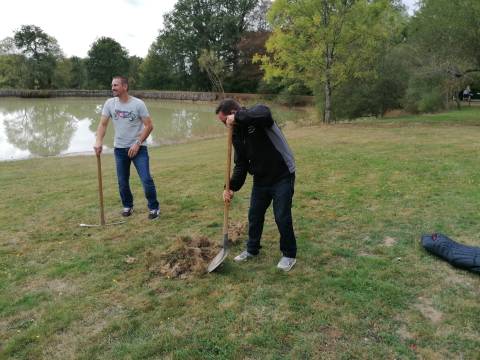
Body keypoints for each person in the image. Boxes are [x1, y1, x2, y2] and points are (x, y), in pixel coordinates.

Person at [215, 98, 297, 271]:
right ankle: (252, 250)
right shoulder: (236, 134)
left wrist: (238, 118)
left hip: (282, 175)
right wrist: (229, 187)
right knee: (254, 215)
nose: (225, 125)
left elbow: (264, 113)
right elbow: (241, 164)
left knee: (281, 216)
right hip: (261, 179)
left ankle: (289, 254)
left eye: (225, 121)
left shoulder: (258, 115)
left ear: (233, 113)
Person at [94, 76, 160, 220]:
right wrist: (98, 141)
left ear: (125, 87)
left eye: (116, 85)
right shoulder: (109, 104)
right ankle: (128, 205)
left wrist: (137, 143)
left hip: (139, 148)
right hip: (119, 149)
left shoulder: (138, 104)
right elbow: (103, 124)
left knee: (146, 179)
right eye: (112, 85)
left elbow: (149, 126)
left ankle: (154, 208)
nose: (112, 88)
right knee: (122, 181)